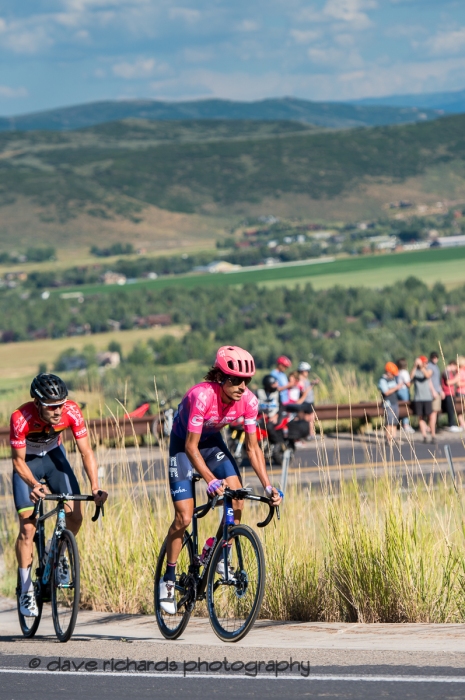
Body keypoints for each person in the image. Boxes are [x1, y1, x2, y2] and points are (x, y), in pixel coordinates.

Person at [159, 346, 283, 615]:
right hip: (184, 446)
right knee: (184, 516)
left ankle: (219, 550)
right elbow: (191, 448)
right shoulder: (201, 396)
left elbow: (253, 448)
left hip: (212, 443)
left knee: (237, 495)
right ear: (219, 377)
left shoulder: (249, 401)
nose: (241, 386)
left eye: (246, 381)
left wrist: (268, 485)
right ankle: (168, 579)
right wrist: (211, 480)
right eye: (235, 380)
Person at [10, 373, 107, 619]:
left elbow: (86, 452)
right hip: (29, 463)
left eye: (61, 404)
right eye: (52, 406)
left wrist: (95, 486)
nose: (58, 411)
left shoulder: (72, 412)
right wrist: (32, 484)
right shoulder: (20, 418)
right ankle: (25, 588)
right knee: (28, 528)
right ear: (37, 403)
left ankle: (57, 553)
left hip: (55, 458)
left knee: (76, 516)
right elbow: (17, 461)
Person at [411, 355, 437, 443]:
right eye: (424, 362)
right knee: (420, 417)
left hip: (427, 397)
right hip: (418, 397)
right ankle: (424, 436)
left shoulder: (428, 369)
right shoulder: (415, 371)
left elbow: (427, 375)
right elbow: (410, 379)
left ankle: (433, 435)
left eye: (426, 362)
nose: (426, 364)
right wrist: (415, 366)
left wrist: (421, 367)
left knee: (430, 416)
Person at [378, 362, 402, 442]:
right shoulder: (383, 380)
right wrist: (396, 387)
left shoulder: (392, 379)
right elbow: (386, 392)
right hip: (388, 403)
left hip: (395, 402)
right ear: (388, 372)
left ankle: (394, 437)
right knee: (389, 421)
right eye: (392, 374)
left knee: (395, 421)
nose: (393, 375)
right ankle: (388, 438)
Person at [441, 360, 461, 432]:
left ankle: (452, 424)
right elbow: (448, 382)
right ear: (452, 365)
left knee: (452, 409)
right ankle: (451, 424)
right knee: (450, 409)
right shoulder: (446, 371)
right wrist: (456, 379)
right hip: (447, 393)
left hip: (451, 393)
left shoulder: (450, 372)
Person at [396, 358, 414, 434]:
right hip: (404, 390)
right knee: (406, 407)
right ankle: (406, 424)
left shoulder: (397, 372)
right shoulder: (404, 372)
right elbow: (408, 384)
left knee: (400, 407)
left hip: (397, 390)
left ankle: (399, 423)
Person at [427, 352, 444, 434]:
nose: (435, 359)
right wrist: (433, 390)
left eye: (436, 357)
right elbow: (429, 379)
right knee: (433, 412)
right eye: (433, 357)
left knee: (436, 411)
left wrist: (441, 391)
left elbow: (437, 381)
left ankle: (433, 427)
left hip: (437, 391)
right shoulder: (430, 367)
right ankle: (432, 428)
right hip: (433, 392)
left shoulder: (436, 366)